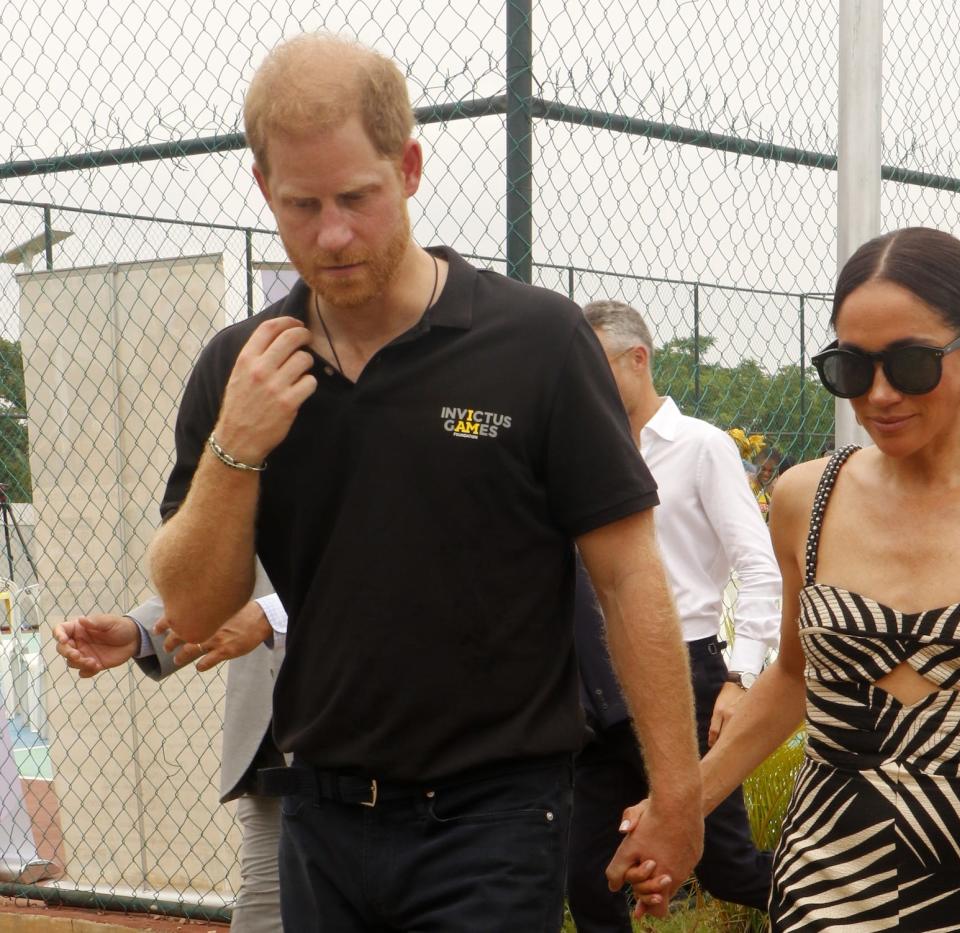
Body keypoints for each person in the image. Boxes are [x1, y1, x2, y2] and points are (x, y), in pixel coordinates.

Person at [145, 33, 701, 932]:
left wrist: (679, 792)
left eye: (357, 198)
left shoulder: (537, 343)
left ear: (407, 167)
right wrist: (235, 446)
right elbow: (195, 607)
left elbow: (629, 573)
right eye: (302, 204)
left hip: (495, 816)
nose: (331, 234)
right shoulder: (240, 369)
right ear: (262, 191)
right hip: (319, 813)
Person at [618, 227, 960, 930]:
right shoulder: (807, 498)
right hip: (823, 872)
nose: (880, 394)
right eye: (851, 368)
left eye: (912, 364)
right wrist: (681, 807)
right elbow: (795, 679)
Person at [567, 300, 778, 930]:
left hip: (687, 671)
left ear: (639, 359)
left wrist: (740, 679)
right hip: (599, 683)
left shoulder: (701, 447)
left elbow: (758, 565)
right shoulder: (579, 452)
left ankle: (836, 910)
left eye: (592, 364)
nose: (580, 380)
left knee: (727, 867)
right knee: (587, 873)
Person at [53, 568, 286, 933]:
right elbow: (235, 572)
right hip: (273, 756)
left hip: (372, 744)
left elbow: (388, 559)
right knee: (262, 918)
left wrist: (272, 612)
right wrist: (141, 633)